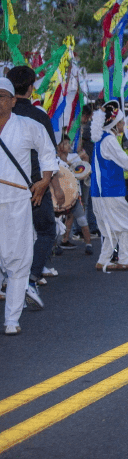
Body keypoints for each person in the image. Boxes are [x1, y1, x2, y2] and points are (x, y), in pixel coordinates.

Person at [0, 77, 57, 334]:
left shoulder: (28, 126)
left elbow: (47, 151)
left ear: (13, 100)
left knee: (18, 258)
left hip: (16, 201)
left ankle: (12, 319)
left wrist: (45, 181)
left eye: (3, 96)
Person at [7, 66, 58, 287]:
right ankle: (30, 277)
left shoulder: (6, 116)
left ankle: (9, 278)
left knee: (9, 233)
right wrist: (53, 186)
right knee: (46, 231)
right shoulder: (38, 116)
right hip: (37, 185)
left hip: (8, 184)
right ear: (31, 88)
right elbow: (50, 155)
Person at [90, 100, 128, 272]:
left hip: (101, 191)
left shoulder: (102, 138)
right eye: (121, 122)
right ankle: (123, 257)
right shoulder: (109, 140)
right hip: (110, 190)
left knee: (112, 227)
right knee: (126, 223)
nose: (123, 124)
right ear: (114, 123)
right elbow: (125, 161)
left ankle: (104, 260)